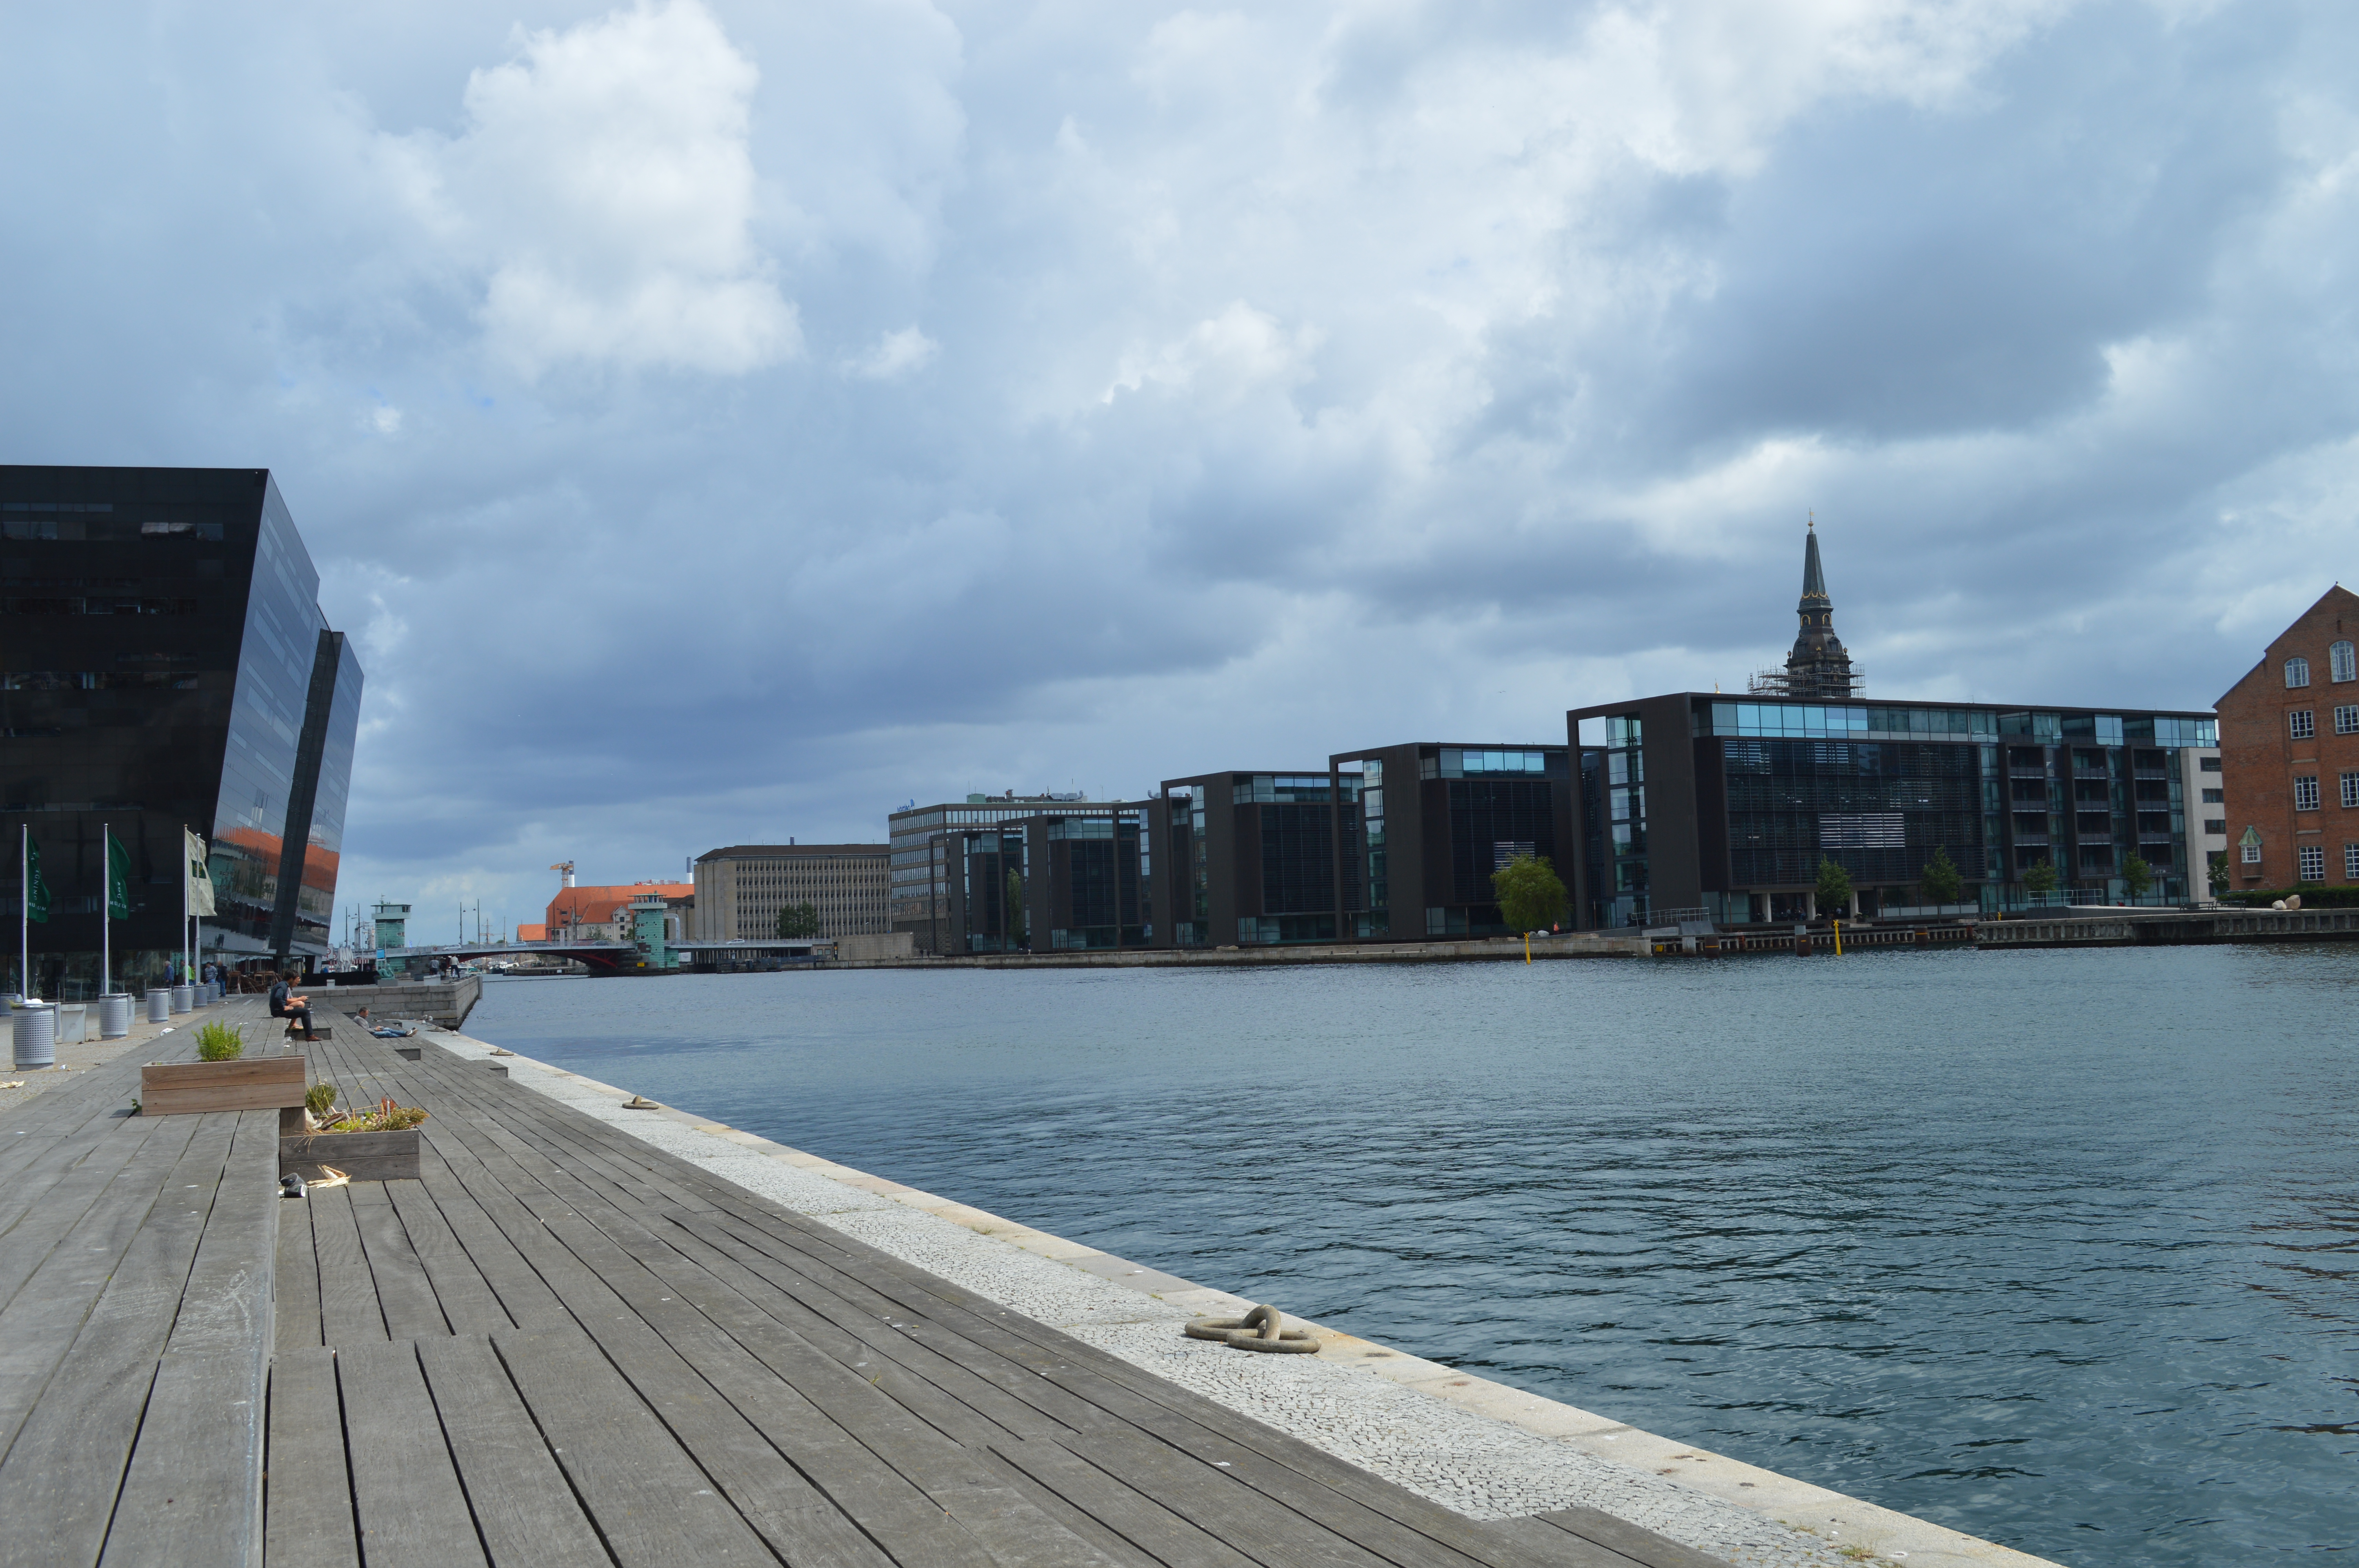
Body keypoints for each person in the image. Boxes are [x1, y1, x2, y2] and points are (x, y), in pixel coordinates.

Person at [268, 972, 317, 1041]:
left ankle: (308, 1034)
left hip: (277, 1010)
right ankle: (309, 1036)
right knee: (306, 1012)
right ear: (291, 979)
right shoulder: (283, 986)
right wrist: (283, 1007)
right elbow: (278, 996)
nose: (296, 985)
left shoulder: (283, 985)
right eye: (296, 983)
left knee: (301, 1011)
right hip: (279, 1011)